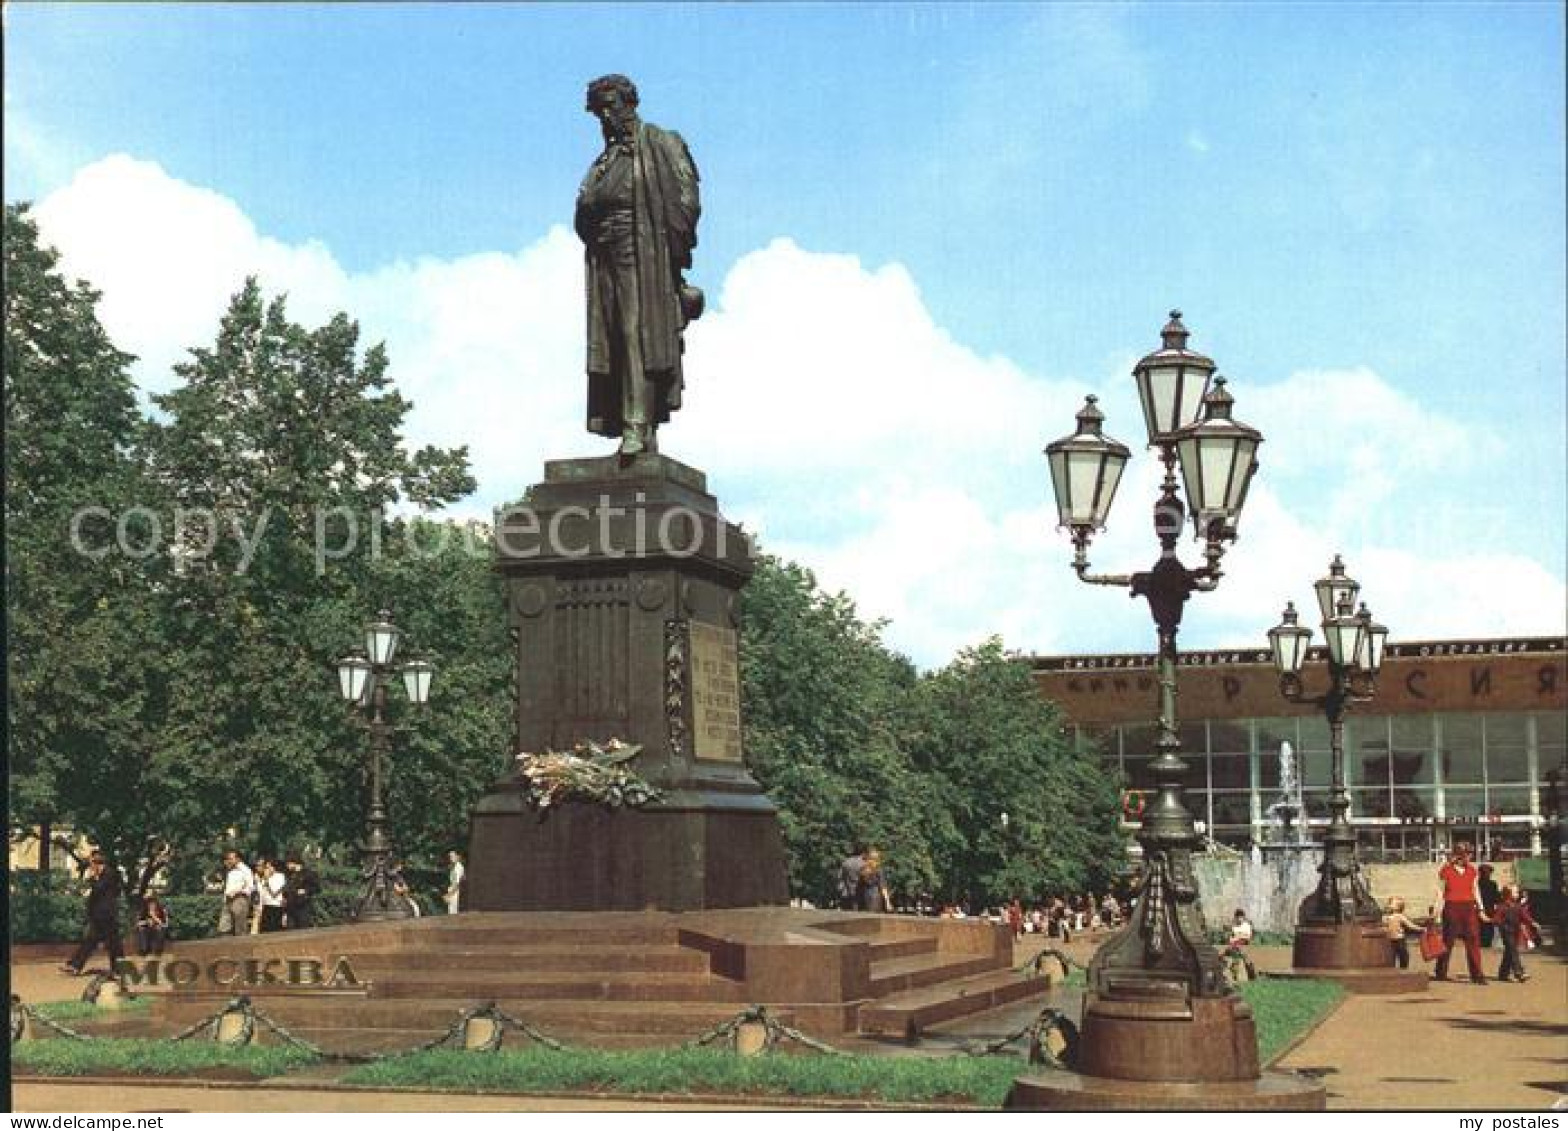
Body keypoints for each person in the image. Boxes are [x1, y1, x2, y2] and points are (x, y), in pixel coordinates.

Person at [574, 73, 703, 457]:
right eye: (598, 112)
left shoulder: (661, 142)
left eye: (609, 108)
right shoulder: (604, 160)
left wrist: (671, 258)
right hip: (604, 254)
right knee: (613, 338)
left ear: (629, 103)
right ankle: (637, 429)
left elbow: (686, 199)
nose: (604, 118)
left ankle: (636, 425)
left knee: (636, 335)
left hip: (643, 252)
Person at [61, 851, 125, 976]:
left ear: (97, 863)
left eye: (91, 864)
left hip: (108, 915)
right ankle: (75, 966)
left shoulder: (109, 874)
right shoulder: (100, 875)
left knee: (113, 943)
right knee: (90, 941)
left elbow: (99, 889)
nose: (90, 867)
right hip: (99, 916)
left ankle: (119, 970)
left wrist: (95, 877)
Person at [1433, 841, 1488, 984]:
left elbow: (1476, 890)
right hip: (1451, 907)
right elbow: (1440, 892)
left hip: (1469, 907)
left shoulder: (1472, 871)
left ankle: (1477, 975)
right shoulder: (1446, 870)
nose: (1469, 857)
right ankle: (1441, 971)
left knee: (1473, 940)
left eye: (1470, 854)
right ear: (1458, 855)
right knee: (1448, 941)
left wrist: (1481, 909)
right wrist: (1437, 912)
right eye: (1467, 854)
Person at [1494, 885, 1537, 983]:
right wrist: (1498, 923)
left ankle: (1503, 973)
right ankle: (1519, 972)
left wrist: (1532, 922)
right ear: (1508, 894)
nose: (1518, 894)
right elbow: (1497, 919)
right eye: (1515, 892)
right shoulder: (1502, 907)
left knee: (1509, 952)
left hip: (1515, 932)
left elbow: (1525, 916)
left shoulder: (1518, 906)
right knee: (1513, 951)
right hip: (1506, 932)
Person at [217, 850, 255, 937]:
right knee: (224, 927)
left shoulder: (245, 870)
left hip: (239, 899)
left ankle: (242, 947)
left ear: (238, 859)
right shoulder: (230, 870)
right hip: (228, 900)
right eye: (228, 859)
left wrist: (238, 892)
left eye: (231, 858)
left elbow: (250, 887)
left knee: (240, 927)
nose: (229, 860)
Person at [1382, 896, 1422, 969]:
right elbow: (1383, 926)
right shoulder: (1387, 917)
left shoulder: (1400, 916)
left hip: (1400, 940)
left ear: (1397, 907)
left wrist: (1420, 929)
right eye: (1389, 903)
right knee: (1391, 957)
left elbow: (1410, 925)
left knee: (1403, 956)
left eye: (1391, 903)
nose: (1388, 905)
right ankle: (1391, 970)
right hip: (1390, 940)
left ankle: (1403, 970)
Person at [284, 854, 320, 930]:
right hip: (290, 908)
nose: (287, 866)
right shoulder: (289, 875)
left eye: (288, 864)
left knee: (303, 931)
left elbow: (317, 888)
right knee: (289, 932)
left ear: (294, 862)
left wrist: (305, 890)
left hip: (303, 907)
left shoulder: (308, 873)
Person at [1225, 908, 1258, 980]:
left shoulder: (1246, 926)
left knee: (1241, 953)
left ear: (1243, 917)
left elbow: (1248, 937)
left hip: (1244, 943)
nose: (1239, 919)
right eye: (1238, 917)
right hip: (1234, 945)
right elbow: (1231, 937)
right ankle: (1233, 973)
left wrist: (1238, 937)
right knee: (1230, 952)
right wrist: (1233, 939)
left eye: (1241, 917)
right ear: (1236, 918)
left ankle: (1250, 972)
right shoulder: (1234, 926)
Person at [256, 858, 287, 932]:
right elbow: (262, 894)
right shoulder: (265, 878)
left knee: (274, 930)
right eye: (266, 867)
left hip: (275, 906)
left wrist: (266, 881)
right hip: (266, 906)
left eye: (269, 867)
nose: (267, 869)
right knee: (264, 930)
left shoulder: (280, 876)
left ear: (274, 867)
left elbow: (274, 893)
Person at [858, 848, 892, 913]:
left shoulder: (863, 870)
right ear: (877, 859)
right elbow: (883, 887)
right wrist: (888, 902)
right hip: (876, 896)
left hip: (865, 896)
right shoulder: (879, 870)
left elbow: (860, 886)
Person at [1477, 863, 1502, 947]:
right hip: (1489, 909)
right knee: (1488, 928)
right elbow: (1497, 898)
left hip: (1479, 909)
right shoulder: (1493, 884)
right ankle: (1487, 943)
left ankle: (1482, 942)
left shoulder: (1476, 884)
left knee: (1480, 927)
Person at [837, 844, 866, 911]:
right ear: (863, 853)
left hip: (847, 893)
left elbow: (839, 877)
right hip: (861, 894)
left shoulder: (846, 862)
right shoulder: (865, 864)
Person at [444, 850, 466, 915]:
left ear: (458, 857)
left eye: (453, 856)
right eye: (450, 857)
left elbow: (457, 883)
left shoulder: (458, 867)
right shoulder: (454, 867)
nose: (451, 858)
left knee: (453, 913)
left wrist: (449, 895)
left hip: (455, 892)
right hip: (452, 891)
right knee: (451, 912)